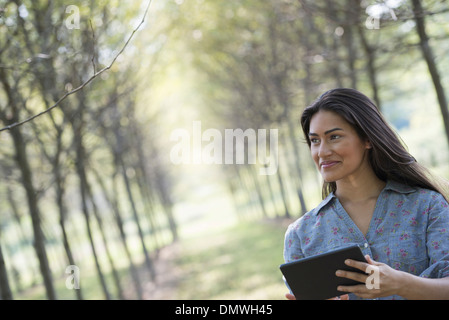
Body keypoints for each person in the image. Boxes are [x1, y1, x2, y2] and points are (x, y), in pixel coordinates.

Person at [283, 88, 449, 300]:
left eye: (334, 137)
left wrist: (400, 283)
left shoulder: (427, 206)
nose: (322, 151)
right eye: (315, 140)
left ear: (367, 139)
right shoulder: (300, 234)